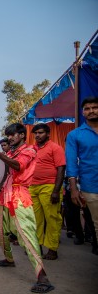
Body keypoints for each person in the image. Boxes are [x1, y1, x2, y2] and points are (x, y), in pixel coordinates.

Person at [0, 123, 54, 293]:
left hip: (18, 195)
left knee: (26, 234)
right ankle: (9, 259)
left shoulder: (30, 150)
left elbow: (18, 166)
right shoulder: (9, 152)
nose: (10, 138)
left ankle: (43, 277)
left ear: (22, 136)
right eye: (8, 135)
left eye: (13, 135)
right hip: (2, 194)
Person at [66, 97, 98, 255]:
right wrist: (73, 189)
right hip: (91, 186)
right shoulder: (75, 135)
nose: (91, 111)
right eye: (87, 108)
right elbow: (71, 164)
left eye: (94, 107)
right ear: (83, 112)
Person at [29, 123, 65, 260]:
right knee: (35, 219)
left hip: (50, 186)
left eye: (41, 133)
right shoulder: (32, 149)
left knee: (52, 218)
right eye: (36, 133)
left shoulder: (55, 148)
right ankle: (37, 246)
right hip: (33, 186)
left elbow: (61, 169)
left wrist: (56, 191)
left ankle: (52, 248)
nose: (37, 135)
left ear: (48, 134)